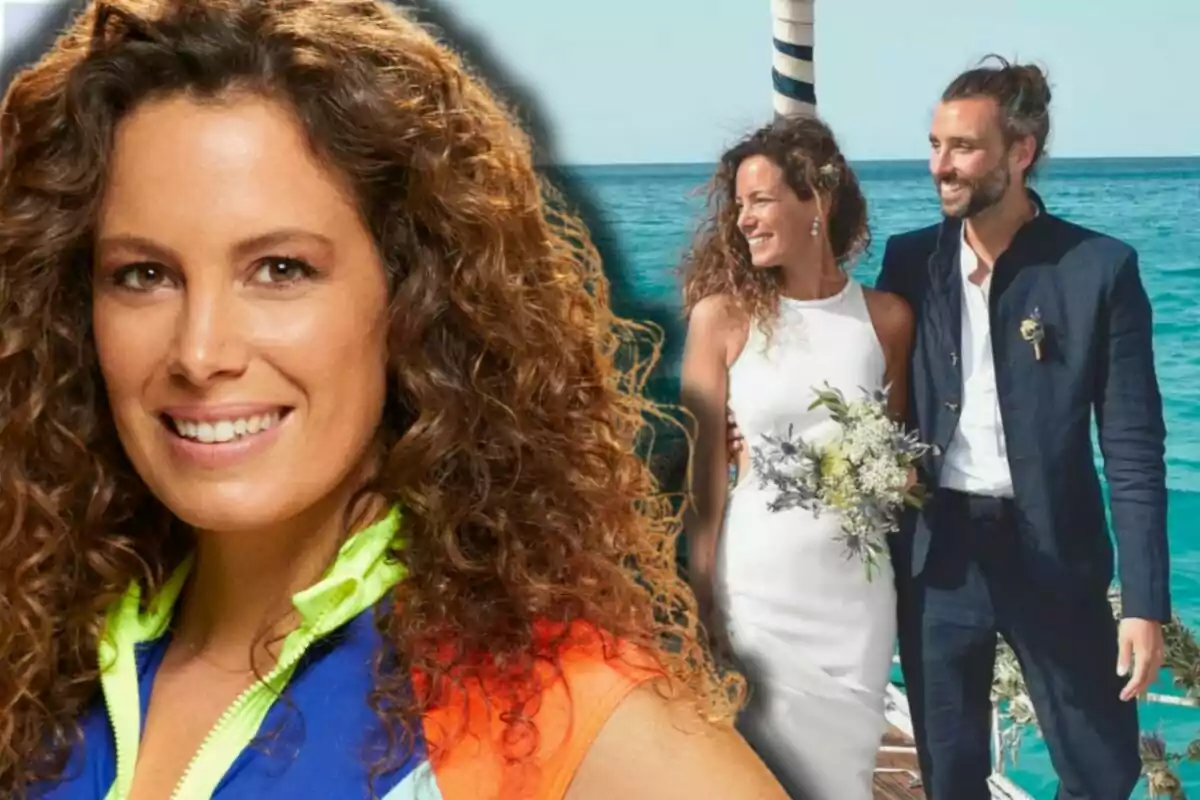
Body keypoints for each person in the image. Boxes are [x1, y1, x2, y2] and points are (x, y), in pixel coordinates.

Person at [0, 2, 790, 799]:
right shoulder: (34, 653)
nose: (200, 353)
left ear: (413, 300)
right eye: (143, 275)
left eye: (281, 269)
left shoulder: (543, 709)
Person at [873, 57, 1168, 798]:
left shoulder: (1099, 268)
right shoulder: (910, 261)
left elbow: (1132, 448)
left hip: (1055, 554)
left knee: (1104, 770)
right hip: (941, 557)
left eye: (963, 148)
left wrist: (1144, 603)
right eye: (935, 144)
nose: (941, 165)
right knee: (950, 771)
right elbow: (868, 386)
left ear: (1021, 152)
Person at [678, 114, 914, 799]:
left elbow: (898, 460)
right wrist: (698, 596)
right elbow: (704, 477)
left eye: (761, 200)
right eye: (740, 205)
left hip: (856, 602)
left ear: (818, 200)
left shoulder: (887, 320)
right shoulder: (720, 318)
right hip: (757, 595)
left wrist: (897, 476)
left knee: (843, 780)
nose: (744, 219)